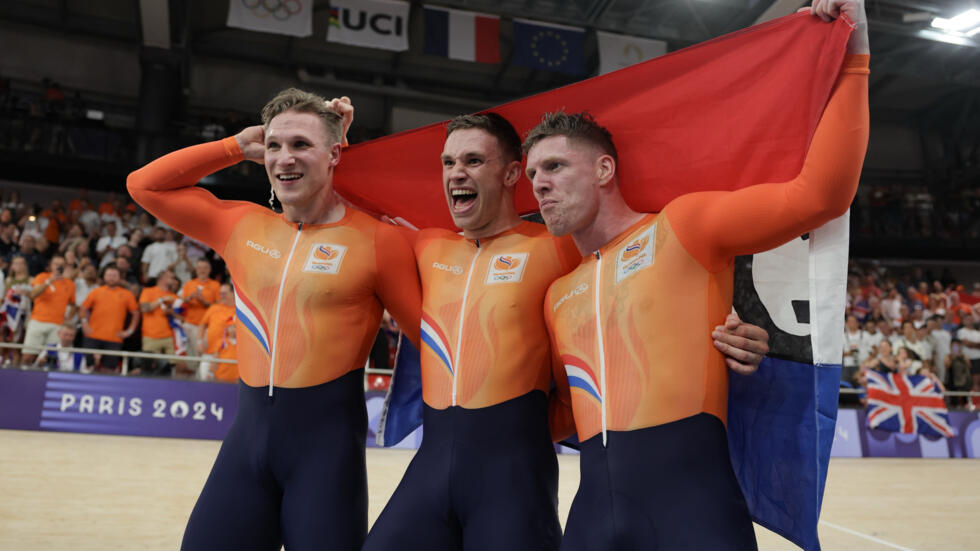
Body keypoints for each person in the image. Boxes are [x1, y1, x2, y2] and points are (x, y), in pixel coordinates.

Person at [525, 0, 869, 547]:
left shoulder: (682, 227)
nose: (539, 183)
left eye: (555, 166)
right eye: (532, 174)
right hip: (591, 518)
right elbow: (563, 416)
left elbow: (820, 195)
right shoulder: (559, 293)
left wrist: (855, 47)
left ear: (604, 169)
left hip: (694, 511)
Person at [364, 114, 769, 550]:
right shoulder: (427, 245)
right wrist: (338, 139)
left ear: (510, 174)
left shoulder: (557, 247)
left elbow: (636, 279)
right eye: (447, 162)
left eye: (474, 159)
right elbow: (346, 223)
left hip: (517, 475)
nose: (457, 172)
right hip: (434, 461)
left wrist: (727, 319)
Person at [127, 88, 421, 551]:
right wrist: (234, 146)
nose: (285, 158)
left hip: (327, 459)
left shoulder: (379, 242)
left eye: (302, 145)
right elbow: (143, 185)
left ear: (335, 152)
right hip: (245, 448)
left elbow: (432, 336)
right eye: (275, 145)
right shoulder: (242, 225)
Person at [80, 265, 139, 372]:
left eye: (114, 275)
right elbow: (84, 308)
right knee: (88, 367)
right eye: (109, 275)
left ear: (119, 277)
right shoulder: (96, 291)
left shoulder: (127, 294)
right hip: (93, 335)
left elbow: (135, 313)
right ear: (104, 277)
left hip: (114, 338)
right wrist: (84, 323)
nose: (111, 278)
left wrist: (130, 331)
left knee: (109, 369)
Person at [22, 255, 76, 365]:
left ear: (65, 266)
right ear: (50, 266)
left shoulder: (70, 284)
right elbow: (33, 294)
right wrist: (50, 280)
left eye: (61, 264)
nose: (58, 266)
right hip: (38, 321)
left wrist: (68, 319)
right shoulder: (41, 277)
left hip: (57, 325)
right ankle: (23, 379)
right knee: (28, 356)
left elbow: (73, 305)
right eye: (56, 264)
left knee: (51, 357)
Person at [138, 269, 180, 375]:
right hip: (151, 336)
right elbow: (145, 308)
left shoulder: (174, 297)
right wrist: (161, 300)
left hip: (170, 336)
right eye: (171, 277)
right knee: (149, 366)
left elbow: (182, 318)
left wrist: (171, 312)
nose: (174, 280)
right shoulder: (148, 291)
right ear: (163, 279)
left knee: (172, 365)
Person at [180, 258, 220, 361]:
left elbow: (218, 307)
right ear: (196, 270)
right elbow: (181, 303)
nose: (202, 270)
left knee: (203, 353)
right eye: (200, 268)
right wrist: (191, 297)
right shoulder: (189, 284)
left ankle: (201, 375)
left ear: (209, 270)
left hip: (206, 326)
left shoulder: (215, 285)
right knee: (190, 354)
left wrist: (203, 300)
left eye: (205, 268)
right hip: (190, 324)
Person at [197, 283, 235, 380]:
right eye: (220, 293)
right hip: (209, 352)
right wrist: (199, 341)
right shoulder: (214, 307)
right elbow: (202, 324)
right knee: (204, 381)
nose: (221, 296)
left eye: (224, 293)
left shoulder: (239, 310)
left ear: (233, 293)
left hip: (227, 356)